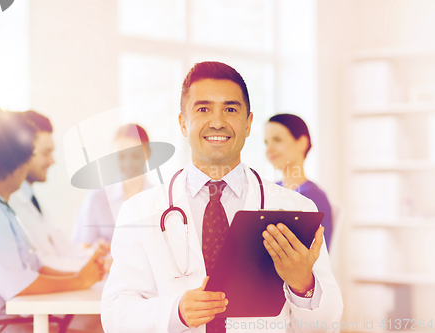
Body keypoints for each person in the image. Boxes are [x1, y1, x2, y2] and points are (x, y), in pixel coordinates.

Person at [101, 62, 343, 332]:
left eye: (230, 109)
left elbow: (327, 325)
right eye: (203, 109)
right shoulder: (138, 212)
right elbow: (114, 315)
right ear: (183, 123)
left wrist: (303, 285)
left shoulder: (296, 208)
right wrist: (176, 311)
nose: (217, 122)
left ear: (249, 123)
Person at [0, 107, 105, 333]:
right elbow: (19, 285)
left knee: (100, 323)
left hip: (3, 320)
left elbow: (36, 268)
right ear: (15, 163)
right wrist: (79, 280)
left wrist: (85, 274)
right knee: (101, 325)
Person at [9, 111, 107, 272]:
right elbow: (39, 263)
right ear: (23, 153)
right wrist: (91, 265)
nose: (52, 160)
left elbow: (62, 250)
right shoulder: (11, 203)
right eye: (45, 153)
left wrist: (92, 253)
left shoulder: (33, 199)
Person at [72, 124, 153, 247]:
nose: (128, 164)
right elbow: (81, 249)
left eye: (135, 156)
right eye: (121, 156)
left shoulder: (161, 199)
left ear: (148, 154)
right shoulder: (96, 199)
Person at [264, 114, 333, 246]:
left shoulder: (313, 197)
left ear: (302, 143)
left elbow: (317, 254)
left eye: (277, 140)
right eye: (266, 142)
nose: (269, 150)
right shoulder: (269, 190)